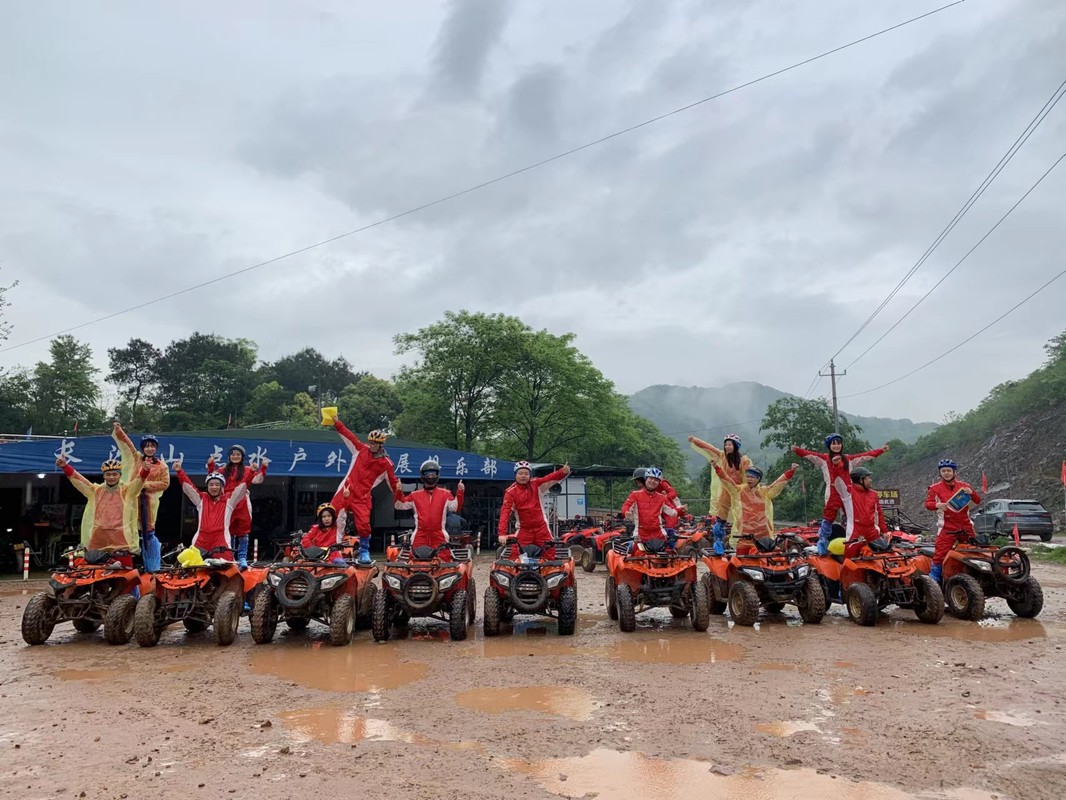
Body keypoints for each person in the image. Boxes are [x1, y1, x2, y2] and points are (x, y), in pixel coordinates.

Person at [792, 435, 889, 555]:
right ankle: (823, 546)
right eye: (833, 443)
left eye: (838, 443)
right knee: (828, 519)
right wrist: (797, 450)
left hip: (849, 493)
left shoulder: (848, 459)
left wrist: (881, 450)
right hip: (833, 492)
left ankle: (855, 542)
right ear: (829, 446)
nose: (836, 446)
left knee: (853, 517)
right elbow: (809, 455)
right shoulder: (824, 459)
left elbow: (865, 456)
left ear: (842, 445)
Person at [329, 418, 401, 564]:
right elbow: (349, 437)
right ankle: (333, 550)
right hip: (346, 490)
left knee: (364, 525)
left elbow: (393, 483)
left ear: (381, 444)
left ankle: (364, 551)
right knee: (333, 515)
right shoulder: (360, 449)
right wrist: (337, 423)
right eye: (371, 442)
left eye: (376, 443)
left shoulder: (386, 463)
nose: (372, 445)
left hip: (362, 496)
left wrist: (401, 499)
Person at [56, 455, 149, 567]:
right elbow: (80, 481)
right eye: (108, 474)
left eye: (114, 474)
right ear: (103, 476)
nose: (111, 477)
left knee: (124, 574)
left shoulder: (127, 491)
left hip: (121, 541)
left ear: (120, 475)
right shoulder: (96, 491)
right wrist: (65, 467)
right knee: (96, 574)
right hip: (98, 540)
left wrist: (145, 471)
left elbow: (138, 482)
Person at [175, 460, 264, 559]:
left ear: (222, 487)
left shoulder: (229, 500)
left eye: (217, 485)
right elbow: (189, 488)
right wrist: (179, 471)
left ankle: (242, 557)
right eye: (211, 485)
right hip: (201, 540)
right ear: (207, 487)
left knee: (227, 567)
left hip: (221, 541)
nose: (214, 487)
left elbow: (242, 488)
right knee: (193, 566)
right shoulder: (201, 499)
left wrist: (251, 472)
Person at [113, 423, 170, 572]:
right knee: (126, 528)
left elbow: (165, 483)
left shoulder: (162, 466)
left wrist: (145, 485)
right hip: (131, 500)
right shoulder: (137, 459)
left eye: (152, 446)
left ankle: (152, 566)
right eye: (147, 446)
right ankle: (126, 564)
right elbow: (127, 446)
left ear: (156, 448)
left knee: (148, 532)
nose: (149, 448)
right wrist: (119, 431)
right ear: (143, 448)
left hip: (148, 502)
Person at [713, 463, 797, 554]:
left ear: (758, 479)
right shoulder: (738, 491)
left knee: (766, 559)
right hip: (744, 537)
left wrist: (791, 471)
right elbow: (727, 480)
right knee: (741, 559)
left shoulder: (765, 492)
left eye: (752, 477)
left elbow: (777, 484)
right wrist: (717, 468)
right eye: (748, 476)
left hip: (764, 537)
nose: (749, 479)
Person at [205, 444, 266, 568]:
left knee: (243, 530)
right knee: (228, 530)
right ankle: (230, 556)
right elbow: (213, 478)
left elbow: (258, 480)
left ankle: (242, 557)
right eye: (233, 454)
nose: (235, 456)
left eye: (238, 454)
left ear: (242, 457)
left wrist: (263, 468)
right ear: (229, 456)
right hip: (228, 501)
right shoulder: (223, 469)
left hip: (242, 502)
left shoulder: (247, 469)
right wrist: (211, 465)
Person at [689, 434, 752, 553]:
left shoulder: (744, 461)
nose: (727, 447)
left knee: (741, 518)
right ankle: (718, 544)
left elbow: (750, 476)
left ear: (736, 446)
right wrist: (695, 440)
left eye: (730, 444)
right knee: (720, 520)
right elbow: (709, 448)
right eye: (726, 444)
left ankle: (740, 544)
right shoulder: (722, 456)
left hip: (738, 492)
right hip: (725, 491)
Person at [497, 460, 571, 558]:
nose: (523, 476)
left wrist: (562, 472)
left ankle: (548, 567)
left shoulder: (536, 484)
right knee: (516, 552)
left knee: (550, 551)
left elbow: (548, 478)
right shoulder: (510, 492)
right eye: (520, 473)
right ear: (515, 475)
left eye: (526, 473)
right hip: (524, 529)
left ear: (530, 475)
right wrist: (502, 533)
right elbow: (505, 512)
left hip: (541, 527)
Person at [924, 459, 981, 583]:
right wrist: (937, 505)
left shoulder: (965, 486)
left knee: (973, 551)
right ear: (940, 473)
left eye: (949, 471)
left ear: (954, 472)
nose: (946, 473)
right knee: (940, 554)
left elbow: (977, 501)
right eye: (943, 471)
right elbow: (928, 504)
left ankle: (975, 577)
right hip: (946, 526)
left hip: (965, 525)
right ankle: (934, 582)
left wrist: (972, 493)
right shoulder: (934, 488)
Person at [393, 459, 465, 553]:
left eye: (433, 473)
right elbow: (399, 505)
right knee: (415, 558)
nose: (430, 476)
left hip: (439, 535)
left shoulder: (445, 494)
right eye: (427, 473)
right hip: (420, 535)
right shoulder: (414, 495)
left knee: (444, 557)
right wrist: (398, 491)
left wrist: (460, 491)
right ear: (422, 475)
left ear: (437, 475)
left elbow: (456, 507)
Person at [621, 467, 679, 550]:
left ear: (659, 482)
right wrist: (626, 512)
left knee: (667, 553)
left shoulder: (662, 497)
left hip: (659, 534)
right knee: (634, 554)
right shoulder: (635, 495)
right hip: (640, 534)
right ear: (646, 479)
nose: (653, 481)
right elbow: (626, 506)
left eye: (656, 480)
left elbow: (673, 511)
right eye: (650, 478)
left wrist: (681, 510)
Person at [843, 467, 887, 558]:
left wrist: (884, 531)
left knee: (883, 552)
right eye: (868, 478)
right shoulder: (848, 492)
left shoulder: (873, 494)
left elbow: (879, 513)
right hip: (855, 530)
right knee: (851, 556)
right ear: (861, 480)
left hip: (872, 531)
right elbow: (838, 480)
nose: (871, 480)